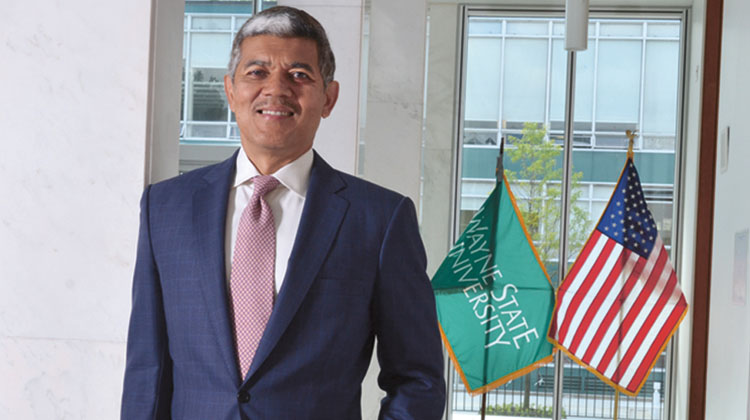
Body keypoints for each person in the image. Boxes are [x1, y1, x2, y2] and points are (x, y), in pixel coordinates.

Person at [121, 6, 445, 419]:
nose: (276, 89)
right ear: (230, 91)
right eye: (256, 72)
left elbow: (418, 378)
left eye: (300, 75)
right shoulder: (165, 208)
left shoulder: (380, 219)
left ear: (328, 98)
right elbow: (147, 369)